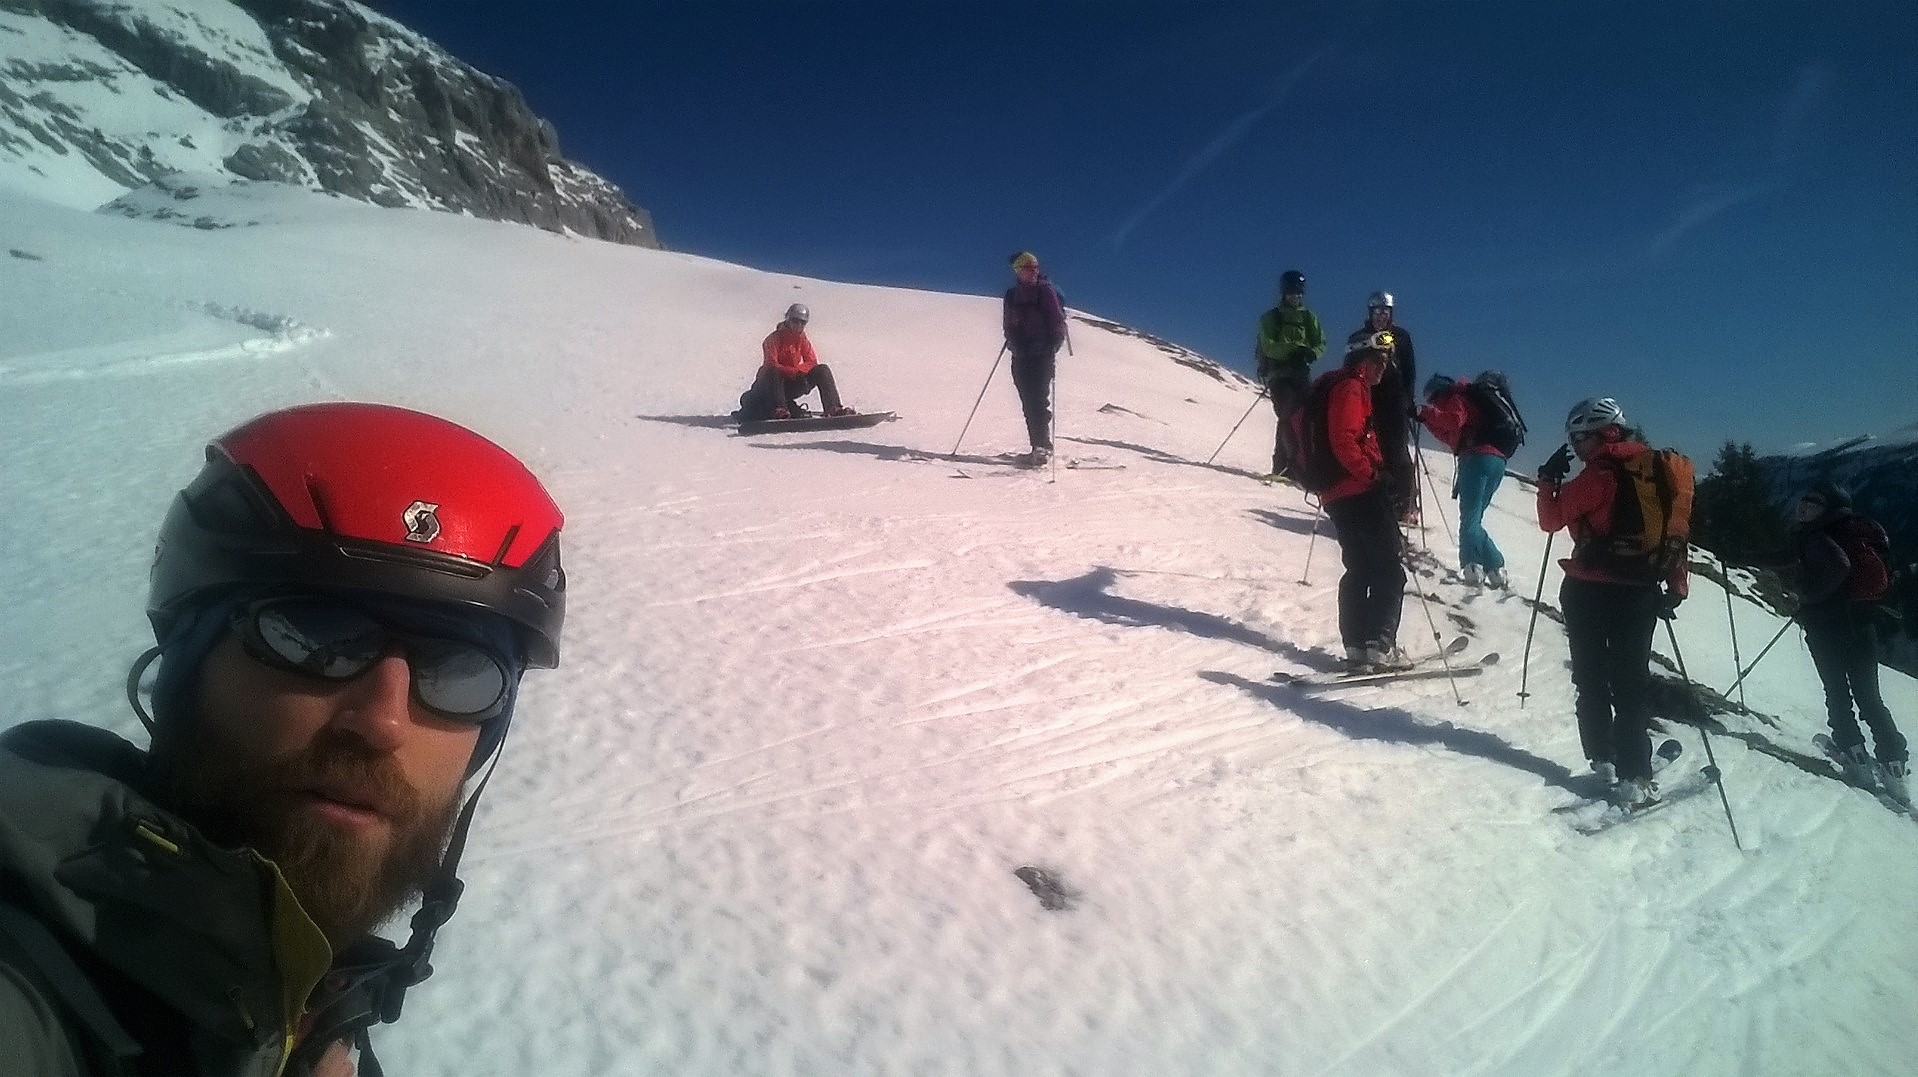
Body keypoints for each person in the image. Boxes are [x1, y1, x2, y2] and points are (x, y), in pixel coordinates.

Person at [0, 403, 567, 1075]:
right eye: (312, 638)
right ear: (185, 671)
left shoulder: (305, 1008)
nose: (383, 723)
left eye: (463, 671)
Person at [1535, 397, 1689, 809]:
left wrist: (1547, 479)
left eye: (1580, 437)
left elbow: (1550, 519)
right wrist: (1677, 583)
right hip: (1638, 591)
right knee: (1630, 684)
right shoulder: (1659, 471)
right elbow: (1674, 529)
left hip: (1587, 591)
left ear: (1605, 432)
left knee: (1591, 678)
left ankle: (1602, 758)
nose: (1577, 446)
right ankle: (1635, 774)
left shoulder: (1598, 475)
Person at [1789, 482, 1908, 803]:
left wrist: (1809, 597)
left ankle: (1854, 755)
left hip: (1826, 627)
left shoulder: (1817, 536)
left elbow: (1838, 568)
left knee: (1837, 693)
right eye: (1804, 499)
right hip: (1863, 625)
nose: (1803, 506)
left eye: (1813, 502)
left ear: (1827, 509)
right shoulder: (1859, 531)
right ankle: (1894, 765)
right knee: (1870, 698)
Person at [1317, 333, 1408, 670]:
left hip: (1336, 494)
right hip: (1360, 490)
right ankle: (1380, 646)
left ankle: (1356, 647)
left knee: (1359, 568)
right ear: (1362, 360)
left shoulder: (1336, 387)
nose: (1383, 368)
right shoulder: (1351, 387)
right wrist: (1373, 475)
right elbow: (1344, 441)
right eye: (1379, 361)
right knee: (1389, 568)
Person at [1418, 372, 1514, 588]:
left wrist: (1425, 412)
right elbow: (1449, 435)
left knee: (1469, 520)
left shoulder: (1456, 398)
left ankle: (1472, 567)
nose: (1434, 404)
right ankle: (1496, 568)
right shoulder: (1469, 402)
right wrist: (1426, 419)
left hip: (1476, 459)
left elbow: (1453, 421)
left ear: (1440, 392)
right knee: (1474, 520)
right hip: (1497, 461)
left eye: (1433, 399)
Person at [1348, 292, 1418, 524]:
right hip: (1367, 401)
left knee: (1397, 453)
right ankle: (1378, 503)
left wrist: (1408, 399)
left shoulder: (1401, 337)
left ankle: (1408, 505)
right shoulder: (1359, 338)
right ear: (1370, 313)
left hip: (1395, 402)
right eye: (1377, 312)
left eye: (1385, 312)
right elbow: (1349, 365)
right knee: (1370, 452)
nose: (1381, 316)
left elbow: (1409, 371)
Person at [1254, 269, 1326, 481]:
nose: (1296, 296)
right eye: (1292, 291)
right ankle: (1282, 466)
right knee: (1287, 413)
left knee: (1304, 417)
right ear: (1284, 292)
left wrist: (1312, 353)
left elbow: (1321, 342)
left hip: (1301, 373)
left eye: (1299, 292)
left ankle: (1298, 468)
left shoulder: (1309, 317)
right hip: (1279, 374)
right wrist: (1295, 350)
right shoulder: (1271, 318)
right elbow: (1268, 346)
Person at [1002, 252, 1067, 466]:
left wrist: (1054, 343)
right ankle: (1037, 446)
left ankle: (1043, 447)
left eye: (1034, 267)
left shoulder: (1045, 290)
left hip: (1042, 353)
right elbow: (1008, 324)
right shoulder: (1011, 295)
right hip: (1021, 354)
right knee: (1028, 401)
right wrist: (1013, 342)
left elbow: (1056, 319)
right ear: (1017, 271)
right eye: (1027, 268)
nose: (1032, 271)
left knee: (1038, 400)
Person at [746, 303, 854, 421]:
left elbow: (812, 361)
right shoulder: (773, 339)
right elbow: (771, 364)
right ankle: (779, 409)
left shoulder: (802, 339)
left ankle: (833, 408)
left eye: (802, 322)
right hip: (771, 387)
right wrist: (794, 372)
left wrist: (800, 372)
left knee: (822, 370)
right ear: (787, 319)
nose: (798, 325)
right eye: (795, 321)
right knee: (773, 371)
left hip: (791, 383)